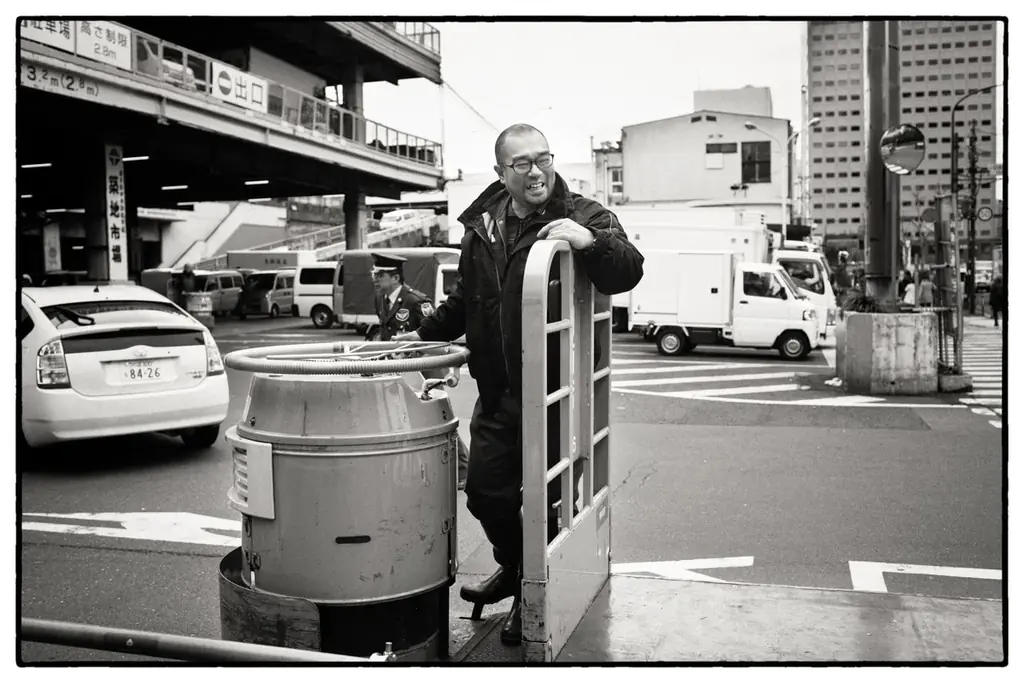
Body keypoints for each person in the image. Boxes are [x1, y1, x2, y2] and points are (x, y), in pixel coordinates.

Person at [394, 123, 644, 645]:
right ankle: (517, 568)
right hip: (501, 392)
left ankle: (537, 591)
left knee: (547, 501)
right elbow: (466, 301)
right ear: (500, 173)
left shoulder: (582, 215)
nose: (537, 172)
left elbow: (628, 270)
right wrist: (419, 336)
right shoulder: (483, 227)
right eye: (522, 164)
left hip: (557, 393)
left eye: (544, 159)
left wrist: (591, 243)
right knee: (486, 494)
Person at [370, 253, 434, 342]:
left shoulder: (416, 301)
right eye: (374, 275)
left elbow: (433, 333)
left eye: (380, 275)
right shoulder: (380, 298)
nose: (374, 279)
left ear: (396, 278)